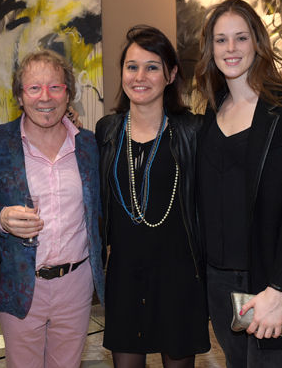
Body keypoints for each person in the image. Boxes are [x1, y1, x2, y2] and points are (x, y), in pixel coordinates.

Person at [194, 0, 282, 367]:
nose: (231, 48)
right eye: (220, 40)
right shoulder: (211, 112)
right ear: (210, 48)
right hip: (218, 281)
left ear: (258, 41)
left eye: (240, 38)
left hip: (268, 279)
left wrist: (279, 289)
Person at [95, 25, 210, 368]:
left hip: (179, 277)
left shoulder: (194, 130)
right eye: (132, 67)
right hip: (125, 275)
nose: (140, 76)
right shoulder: (107, 130)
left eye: (152, 66)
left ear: (171, 74)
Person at [0, 49, 105, 368]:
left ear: (68, 94)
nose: (45, 97)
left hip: (76, 283)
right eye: (34, 87)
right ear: (20, 97)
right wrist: (0, 218)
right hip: (20, 282)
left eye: (55, 87)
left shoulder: (90, 145)